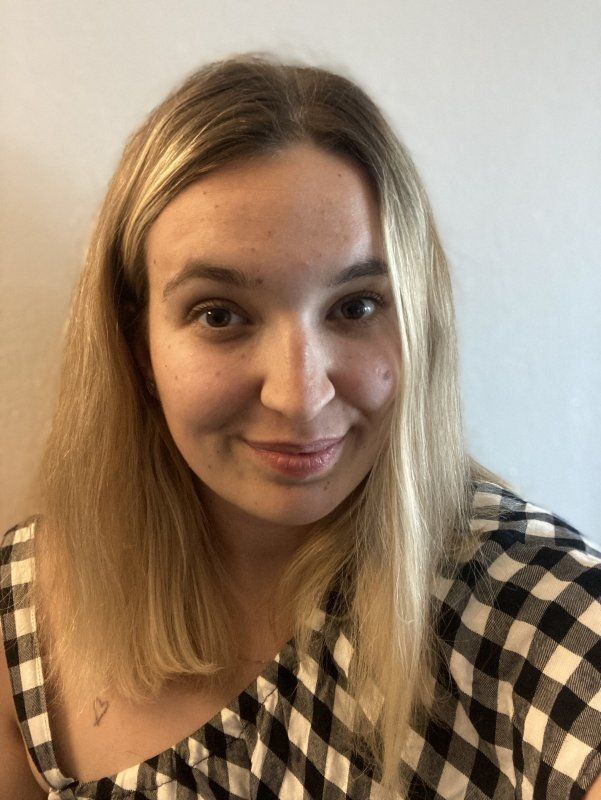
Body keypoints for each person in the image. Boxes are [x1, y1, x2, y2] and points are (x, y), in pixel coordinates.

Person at [1, 52, 600, 800]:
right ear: (137, 345)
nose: (299, 396)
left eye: (355, 307)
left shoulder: (524, 605)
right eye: (219, 314)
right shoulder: (26, 606)